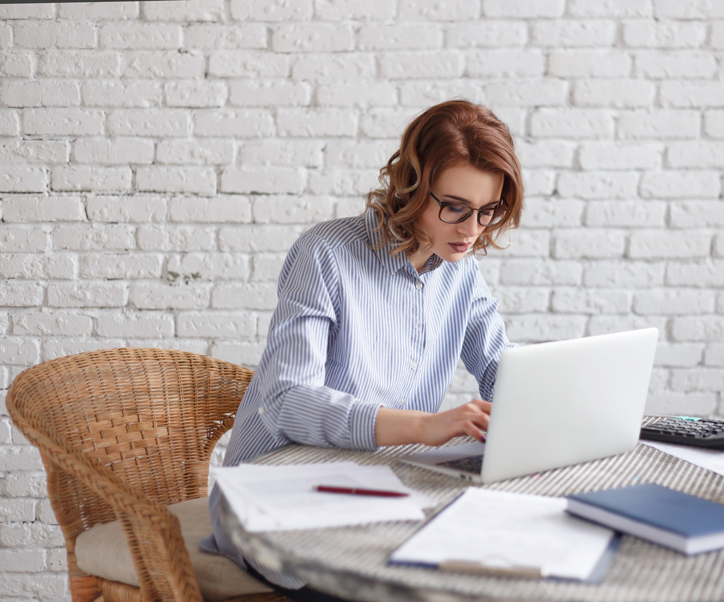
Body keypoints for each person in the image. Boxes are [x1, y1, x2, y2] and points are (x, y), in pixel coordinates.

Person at [201, 99, 525, 601]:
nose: (471, 230)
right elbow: (288, 398)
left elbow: (504, 372)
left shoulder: (462, 273)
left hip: (382, 491)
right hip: (274, 499)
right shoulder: (325, 255)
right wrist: (424, 425)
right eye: (455, 207)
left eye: (487, 211)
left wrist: (540, 410)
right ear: (412, 185)